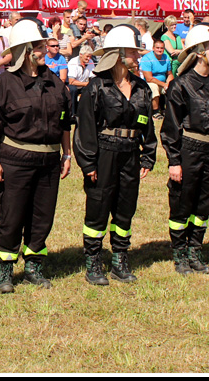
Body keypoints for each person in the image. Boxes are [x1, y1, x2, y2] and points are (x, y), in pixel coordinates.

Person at [0, 18, 72, 293]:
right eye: (37, 45)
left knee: (42, 216)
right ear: (23, 50)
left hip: (48, 162)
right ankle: (6, 271)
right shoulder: (4, 84)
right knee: (11, 216)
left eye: (42, 43)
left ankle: (33, 265)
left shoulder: (54, 83)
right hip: (15, 160)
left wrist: (67, 154)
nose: (43, 49)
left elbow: (65, 122)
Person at [74, 24, 156, 285]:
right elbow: (85, 128)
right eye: (134, 51)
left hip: (130, 154)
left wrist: (148, 155)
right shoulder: (97, 87)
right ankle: (94, 261)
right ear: (120, 53)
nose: (139, 56)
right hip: (104, 154)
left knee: (125, 209)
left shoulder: (142, 88)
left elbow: (148, 125)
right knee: (98, 208)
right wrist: (88, 163)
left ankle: (120, 259)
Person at [161, 24, 209, 275]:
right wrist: (174, 161)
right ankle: (180, 254)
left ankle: (195, 250)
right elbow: (170, 128)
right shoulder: (181, 85)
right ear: (199, 52)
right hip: (189, 150)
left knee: (205, 204)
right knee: (183, 204)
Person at [139, 38, 173, 118]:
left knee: (173, 88)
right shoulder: (146, 59)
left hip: (163, 82)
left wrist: (169, 83)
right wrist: (164, 84)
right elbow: (149, 78)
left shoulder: (166, 57)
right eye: (157, 48)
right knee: (154, 88)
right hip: (150, 83)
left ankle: (168, 111)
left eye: (161, 48)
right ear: (153, 48)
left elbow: (170, 74)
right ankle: (155, 112)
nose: (159, 50)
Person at [67, 44, 96, 118]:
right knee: (73, 90)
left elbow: (92, 76)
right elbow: (71, 81)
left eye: (90, 56)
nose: (89, 58)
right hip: (72, 84)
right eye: (87, 56)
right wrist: (87, 84)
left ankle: (89, 112)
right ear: (81, 55)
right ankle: (72, 114)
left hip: (83, 84)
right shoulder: (73, 62)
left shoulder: (91, 62)